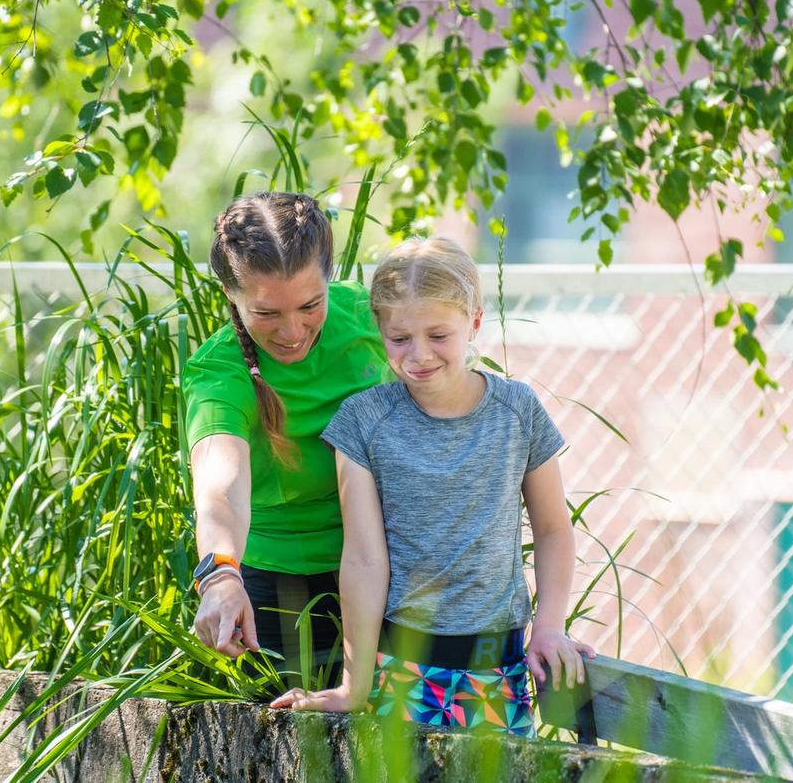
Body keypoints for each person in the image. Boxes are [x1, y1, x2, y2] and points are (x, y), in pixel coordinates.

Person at [270, 236, 595, 736]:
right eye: (399, 339)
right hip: (399, 669)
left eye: (439, 335)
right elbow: (362, 557)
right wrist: (354, 685)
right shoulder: (362, 422)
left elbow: (553, 529)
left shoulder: (518, 411)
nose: (418, 355)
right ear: (380, 332)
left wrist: (549, 625)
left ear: (475, 322)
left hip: (498, 672)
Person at [183, 191, 386, 683]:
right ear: (231, 294)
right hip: (279, 598)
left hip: (391, 573)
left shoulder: (371, 319)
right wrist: (221, 575)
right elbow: (220, 485)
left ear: (329, 278)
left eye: (310, 304)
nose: (293, 331)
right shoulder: (219, 372)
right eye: (267, 313)